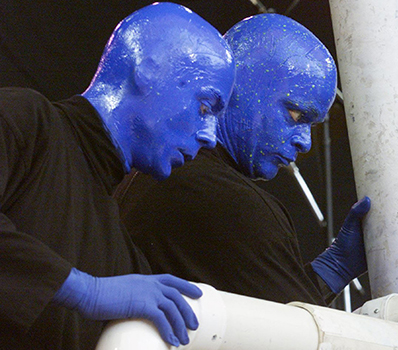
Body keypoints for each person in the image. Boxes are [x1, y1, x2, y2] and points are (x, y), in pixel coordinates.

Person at [0, 3, 235, 349]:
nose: (210, 135)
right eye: (204, 107)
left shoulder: (126, 258)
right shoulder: (25, 118)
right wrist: (82, 289)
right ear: (149, 69)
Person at [115, 13, 369, 307]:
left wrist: (333, 268)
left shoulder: (144, 172)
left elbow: (271, 313)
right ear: (239, 87)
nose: (305, 141)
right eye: (295, 115)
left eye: (312, 126)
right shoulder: (229, 202)